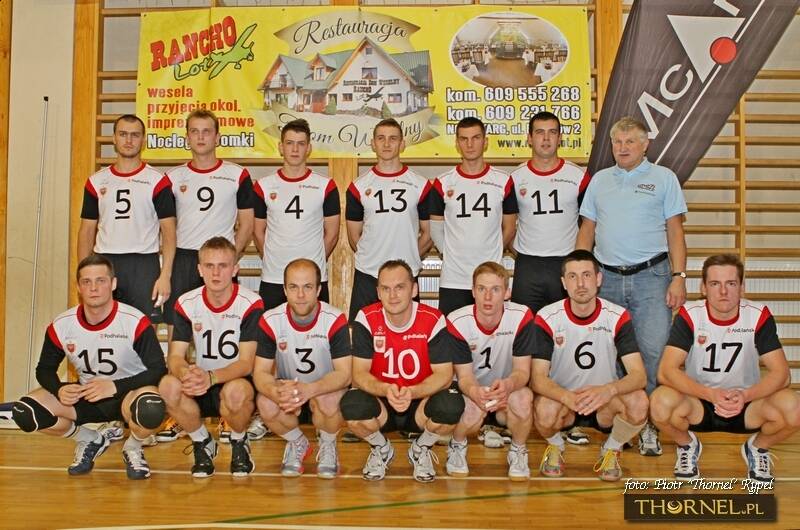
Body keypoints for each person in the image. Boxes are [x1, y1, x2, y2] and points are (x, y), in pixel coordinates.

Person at [576, 116, 687, 456]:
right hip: (606, 280)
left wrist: (679, 277)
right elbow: (587, 229)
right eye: (617, 142)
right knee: (610, 356)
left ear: (645, 144)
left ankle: (650, 426)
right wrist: (580, 272)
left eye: (630, 142)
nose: (622, 148)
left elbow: (675, 230)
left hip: (651, 279)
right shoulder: (599, 181)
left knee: (652, 354)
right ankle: (621, 425)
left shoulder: (664, 178)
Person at [11, 255, 167, 479]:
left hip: (129, 395)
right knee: (25, 412)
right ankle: (89, 439)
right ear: (78, 287)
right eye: (87, 282)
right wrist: (59, 389)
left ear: (113, 284)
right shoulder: (62, 325)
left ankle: (133, 447)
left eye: (101, 281)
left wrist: (114, 386)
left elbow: (158, 369)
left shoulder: (133, 321)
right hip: (88, 395)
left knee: (151, 407)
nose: (94, 288)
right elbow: (44, 369)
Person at [650, 254, 800, 483]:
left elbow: (782, 375)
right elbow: (666, 371)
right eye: (714, 284)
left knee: (794, 407)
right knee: (659, 403)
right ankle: (687, 445)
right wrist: (710, 394)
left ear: (742, 287)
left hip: (746, 404)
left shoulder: (757, 315)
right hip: (700, 402)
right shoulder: (690, 315)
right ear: (703, 288)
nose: (723, 291)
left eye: (731, 283)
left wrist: (745, 395)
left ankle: (758, 448)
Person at [340, 260, 466, 482]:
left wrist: (412, 392)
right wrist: (386, 389)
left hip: (420, 402)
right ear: (378, 292)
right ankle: (381, 448)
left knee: (451, 406)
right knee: (351, 405)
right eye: (386, 288)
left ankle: (421, 448)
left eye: (400, 287)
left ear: (414, 289)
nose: (393, 295)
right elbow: (359, 374)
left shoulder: (433, 319)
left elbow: (444, 375)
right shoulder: (366, 318)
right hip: (382, 401)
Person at [532, 250, 649, 481]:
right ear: (563, 283)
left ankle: (611, 449)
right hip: (565, 401)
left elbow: (639, 376)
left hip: (604, 402)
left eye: (586, 275)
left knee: (639, 402)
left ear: (598, 279)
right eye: (572, 277)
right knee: (543, 410)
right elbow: (537, 378)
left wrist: (608, 390)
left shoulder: (617, 316)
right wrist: (565, 396)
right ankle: (556, 446)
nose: (580, 284)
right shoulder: (547, 317)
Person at [158, 237, 264, 477]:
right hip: (202, 381)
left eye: (223, 266)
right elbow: (175, 356)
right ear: (199, 269)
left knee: (235, 392)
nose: (216, 273)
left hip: (235, 381)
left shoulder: (250, 303)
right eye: (209, 266)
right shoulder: (186, 302)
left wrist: (211, 377)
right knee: (167, 385)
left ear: (235, 269)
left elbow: (247, 363)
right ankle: (202, 441)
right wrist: (186, 372)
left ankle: (239, 441)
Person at [254, 259, 351, 478]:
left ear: (318, 290)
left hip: (323, 391)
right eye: (293, 287)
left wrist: (310, 390)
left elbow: (345, 374)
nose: (300, 295)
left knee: (329, 399)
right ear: (284, 290)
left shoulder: (334, 319)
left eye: (307, 287)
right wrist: (277, 391)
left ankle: (328, 444)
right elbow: (260, 373)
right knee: (265, 402)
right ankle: (297, 443)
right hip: (290, 393)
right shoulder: (270, 320)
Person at [163, 109, 255, 333]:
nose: (201, 137)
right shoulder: (172, 178)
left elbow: (247, 224)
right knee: (179, 329)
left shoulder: (237, 175)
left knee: (225, 325)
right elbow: (167, 229)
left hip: (220, 260)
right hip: (184, 259)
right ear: (187, 138)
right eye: (195, 131)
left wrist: (230, 258)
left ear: (217, 137)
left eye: (206, 131)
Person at [77, 114, 176, 319]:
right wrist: (84, 273)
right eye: (123, 134)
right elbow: (86, 230)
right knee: (101, 323)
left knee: (144, 328)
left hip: (143, 265)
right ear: (114, 138)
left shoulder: (157, 181)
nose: (129, 140)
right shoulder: (96, 181)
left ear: (143, 140)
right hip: (105, 261)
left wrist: (165, 274)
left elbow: (169, 231)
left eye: (135, 135)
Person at [447, 262, 535, 480]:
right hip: (470, 389)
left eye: (495, 289)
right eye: (481, 289)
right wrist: (475, 392)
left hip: (505, 387)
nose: (487, 297)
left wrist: (508, 385)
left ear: (507, 293)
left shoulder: (521, 316)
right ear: (472, 291)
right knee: (472, 410)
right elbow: (464, 376)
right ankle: (457, 445)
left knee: (524, 399)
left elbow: (523, 371)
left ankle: (518, 450)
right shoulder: (457, 321)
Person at [346, 118, 433, 321]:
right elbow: (353, 236)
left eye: (393, 139)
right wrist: (372, 256)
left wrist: (409, 256)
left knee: (408, 333)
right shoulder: (358, 187)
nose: (386, 144)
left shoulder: (420, 185)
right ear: (373, 144)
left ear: (402, 144)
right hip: (368, 274)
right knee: (361, 335)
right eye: (381, 138)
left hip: (406, 276)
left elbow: (429, 234)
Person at [430, 117, 518, 315]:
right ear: (457, 143)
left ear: (485, 142)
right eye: (464, 139)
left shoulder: (503, 181)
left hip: (491, 278)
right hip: (454, 279)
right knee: (452, 332)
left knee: (493, 331)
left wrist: (492, 252)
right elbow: (435, 229)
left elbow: (510, 227)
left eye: (476, 138)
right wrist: (451, 255)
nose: (470, 144)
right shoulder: (443, 182)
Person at [253, 119, 340, 310]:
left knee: (316, 328)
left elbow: (332, 234)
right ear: (281, 147)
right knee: (270, 328)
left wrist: (313, 262)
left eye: (301, 144)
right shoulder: (263, 186)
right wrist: (272, 258)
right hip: (274, 277)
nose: (295, 149)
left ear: (308, 148)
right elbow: (258, 232)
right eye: (289, 143)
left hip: (312, 279)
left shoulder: (325, 186)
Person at [511, 111, 589, 315]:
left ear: (560, 137)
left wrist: (579, 259)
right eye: (539, 132)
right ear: (529, 138)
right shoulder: (515, 177)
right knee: (525, 326)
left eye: (552, 132)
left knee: (565, 325)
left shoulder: (578, 176)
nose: (546, 138)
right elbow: (506, 224)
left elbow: (590, 224)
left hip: (565, 262)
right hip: (528, 265)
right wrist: (518, 250)